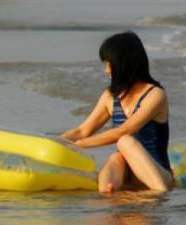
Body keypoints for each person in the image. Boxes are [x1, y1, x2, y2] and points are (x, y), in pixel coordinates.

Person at [61, 31, 173, 193]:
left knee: (125, 141)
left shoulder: (155, 95)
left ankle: (158, 194)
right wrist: (56, 143)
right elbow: (82, 130)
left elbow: (124, 130)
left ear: (125, 63)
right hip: (128, 175)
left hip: (158, 174)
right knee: (116, 157)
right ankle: (107, 194)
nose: (106, 70)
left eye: (109, 64)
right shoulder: (110, 96)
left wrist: (79, 145)